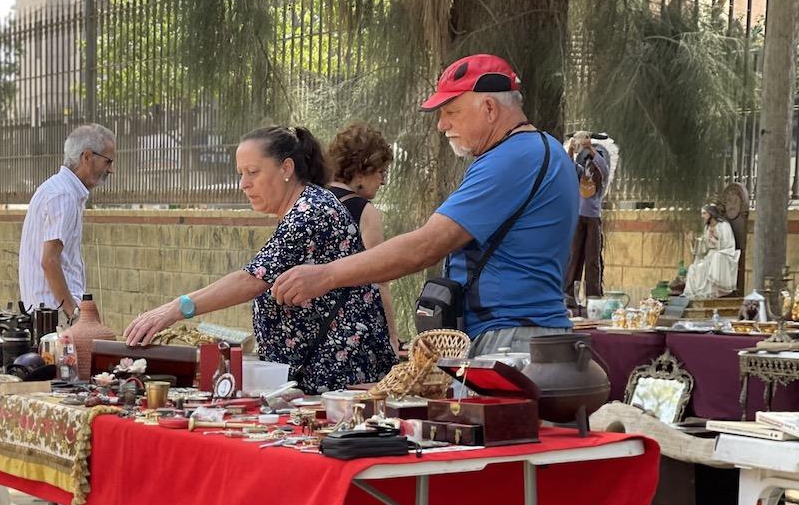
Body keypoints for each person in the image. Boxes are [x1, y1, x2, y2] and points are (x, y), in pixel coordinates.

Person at [273, 54, 578, 360]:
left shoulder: (511, 159)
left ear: (489, 108)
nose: (442, 125)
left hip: (509, 342)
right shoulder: (544, 149)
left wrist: (326, 276)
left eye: (451, 111)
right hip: (531, 335)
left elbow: (427, 245)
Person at [123, 126, 395, 393]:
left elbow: (252, 279)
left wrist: (175, 309)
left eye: (253, 172)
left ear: (286, 169)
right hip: (315, 375)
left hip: (334, 379)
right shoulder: (305, 207)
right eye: (241, 174)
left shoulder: (310, 213)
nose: (244, 184)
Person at [18, 123, 116, 318]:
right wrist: (74, 314)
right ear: (87, 157)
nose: (111, 170)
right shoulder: (64, 195)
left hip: (48, 314)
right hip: (56, 317)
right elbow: (50, 260)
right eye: (108, 162)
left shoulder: (57, 189)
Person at [326, 123, 401, 350]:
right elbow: (379, 278)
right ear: (361, 170)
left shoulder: (308, 201)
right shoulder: (363, 211)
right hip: (349, 332)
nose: (383, 181)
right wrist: (392, 336)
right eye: (380, 172)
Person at [563, 130, 611, 311]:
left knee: (592, 259)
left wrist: (590, 147)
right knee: (574, 256)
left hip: (593, 218)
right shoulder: (579, 168)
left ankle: (593, 295)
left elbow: (603, 169)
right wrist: (572, 150)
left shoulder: (600, 169)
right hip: (577, 216)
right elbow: (568, 169)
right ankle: (569, 295)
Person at [684, 204, 740, 300]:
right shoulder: (707, 228)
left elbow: (728, 244)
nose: (702, 216)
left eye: (704, 213)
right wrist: (693, 241)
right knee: (694, 268)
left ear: (711, 213)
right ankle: (698, 293)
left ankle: (710, 292)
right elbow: (704, 246)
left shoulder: (724, 226)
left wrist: (715, 238)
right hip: (710, 255)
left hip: (723, 253)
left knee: (707, 264)